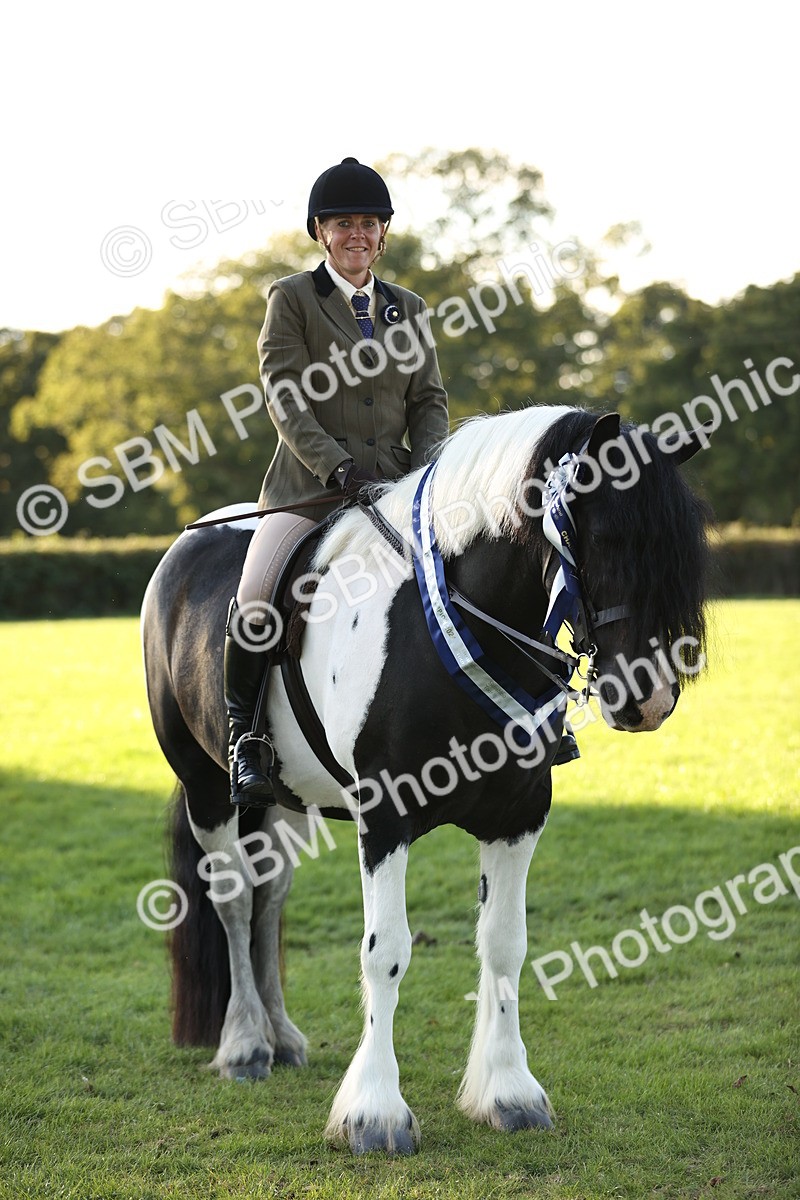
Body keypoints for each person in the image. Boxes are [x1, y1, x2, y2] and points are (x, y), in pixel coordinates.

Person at [224, 157, 450, 807]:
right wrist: (337, 467)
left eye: (370, 223)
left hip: (399, 486)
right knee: (259, 597)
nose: (358, 233)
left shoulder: (409, 308)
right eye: (344, 222)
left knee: (484, 564)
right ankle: (248, 738)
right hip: (310, 489)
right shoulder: (291, 300)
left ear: (383, 235)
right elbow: (285, 399)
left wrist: (428, 467)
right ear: (321, 232)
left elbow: (429, 399)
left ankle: (523, 717)